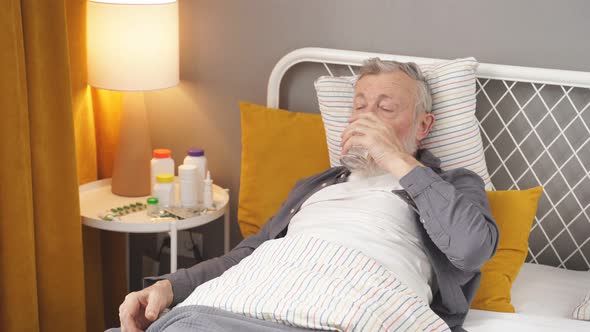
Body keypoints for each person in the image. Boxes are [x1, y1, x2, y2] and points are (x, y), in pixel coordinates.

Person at [116, 59, 499, 332]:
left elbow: (470, 249)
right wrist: (169, 286)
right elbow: (248, 254)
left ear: (423, 126)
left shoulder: (452, 184)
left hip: (353, 305)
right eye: (360, 105)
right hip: (247, 294)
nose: (366, 117)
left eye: (385, 108)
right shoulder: (318, 185)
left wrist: (394, 157)